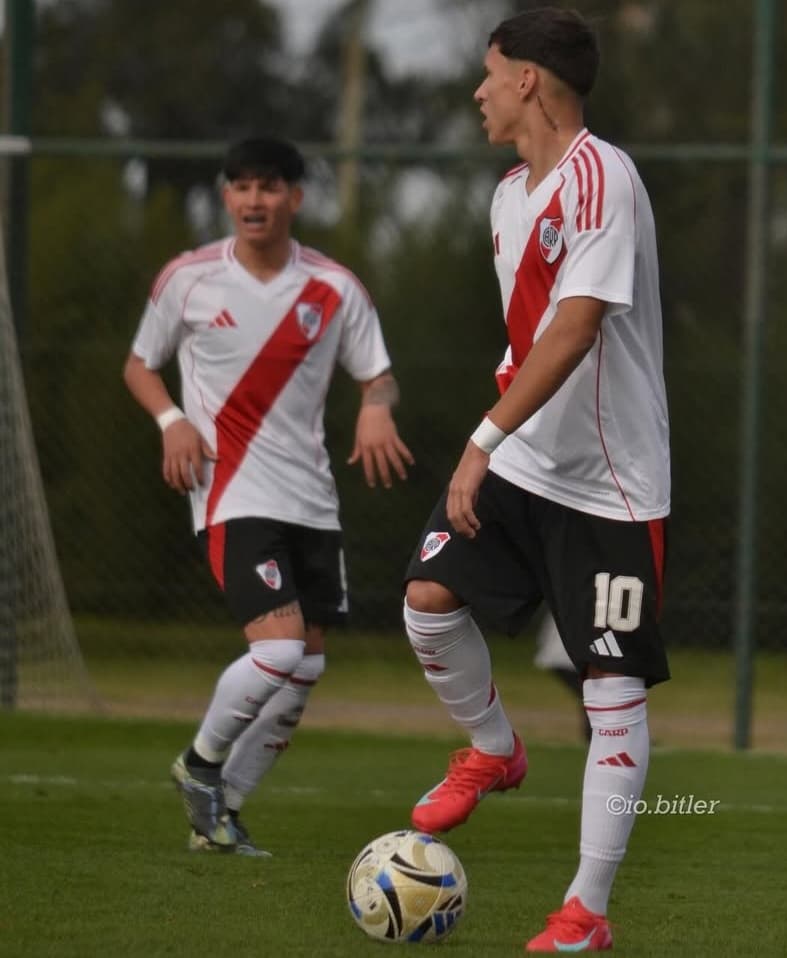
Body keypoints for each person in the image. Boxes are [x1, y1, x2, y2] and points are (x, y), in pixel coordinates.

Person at [401, 9, 670, 951]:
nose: (477, 91)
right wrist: (496, 440)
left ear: (528, 81)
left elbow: (578, 323)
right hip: (522, 459)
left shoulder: (605, 177)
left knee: (611, 689)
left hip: (613, 485)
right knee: (429, 598)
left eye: (489, 73)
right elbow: (529, 339)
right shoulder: (509, 196)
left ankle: (585, 915)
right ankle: (493, 749)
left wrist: (477, 440)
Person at [123, 136, 413, 856]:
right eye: (242, 186)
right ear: (227, 197)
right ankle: (199, 766)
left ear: (296, 198)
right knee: (280, 649)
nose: (255, 200)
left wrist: (377, 404)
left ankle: (220, 820)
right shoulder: (188, 279)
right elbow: (138, 365)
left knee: (306, 666)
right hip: (231, 492)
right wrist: (171, 420)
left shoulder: (334, 288)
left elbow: (378, 374)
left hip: (312, 499)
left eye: (270, 186)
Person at [534, 607, 591, 742]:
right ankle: (594, 736)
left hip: (560, 657)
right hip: (565, 659)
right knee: (592, 695)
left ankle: (594, 736)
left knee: (590, 695)